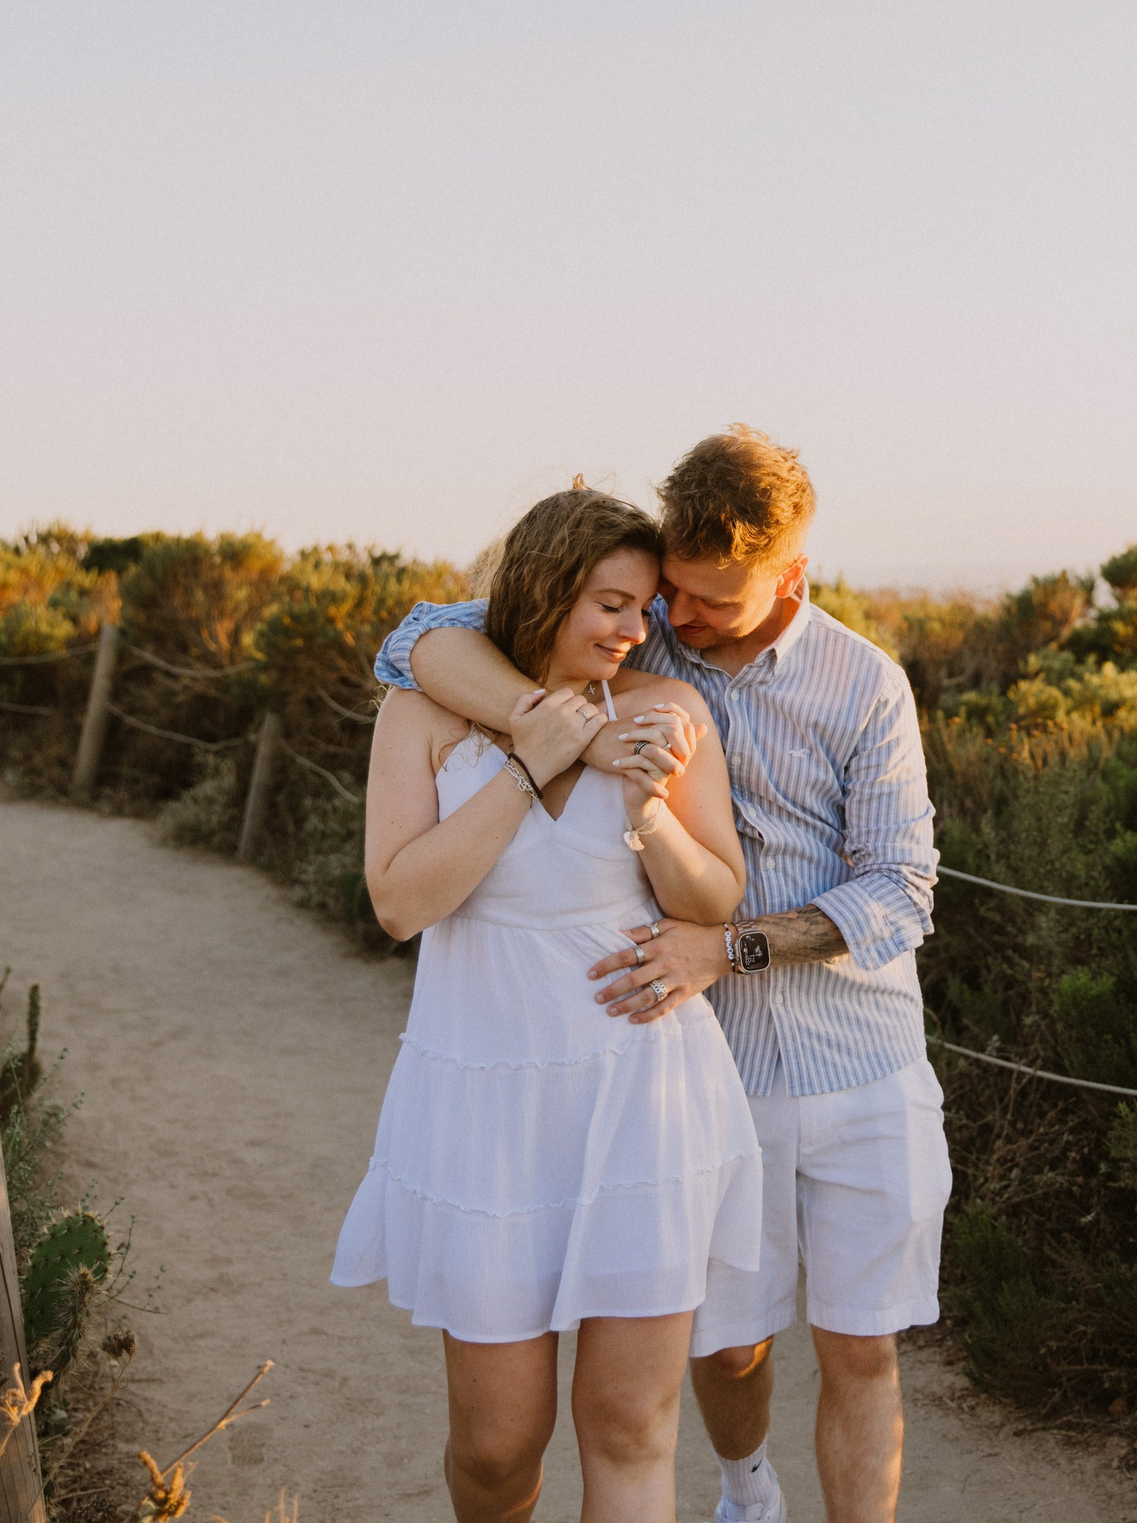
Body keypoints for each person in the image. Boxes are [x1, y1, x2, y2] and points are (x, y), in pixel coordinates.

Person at [373, 426, 945, 1523]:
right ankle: (747, 1488)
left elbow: (902, 890)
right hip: (711, 1064)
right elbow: (422, 640)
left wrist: (727, 946)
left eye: (705, 602)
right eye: (660, 595)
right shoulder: (643, 654)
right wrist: (574, 742)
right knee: (727, 1353)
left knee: (859, 1346)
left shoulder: (862, 685)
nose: (672, 621)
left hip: (849, 1054)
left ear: (792, 577)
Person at [334, 484, 762, 1523]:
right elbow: (400, 902)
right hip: (487, 1108)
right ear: (543, 588)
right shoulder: (426, 712)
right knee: (495, 1446)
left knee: (628, 1429)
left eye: (644, 606)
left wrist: (651, 816)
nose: (634, 628)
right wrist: (533, 763)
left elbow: (717, 896)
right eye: (610, 602)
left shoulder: (668, 712)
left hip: (642, 1101)